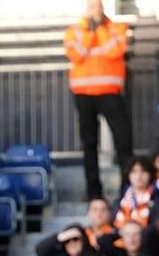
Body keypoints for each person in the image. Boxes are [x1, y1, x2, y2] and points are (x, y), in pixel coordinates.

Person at [64, 0, 132, 200]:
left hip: (110, 92)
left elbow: (114, 51)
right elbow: (76, 55)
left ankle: (127, 188)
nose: (96, 11)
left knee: (123, 142)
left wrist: (100, 29)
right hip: (84, 93)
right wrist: (90, 32)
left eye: (99, 6)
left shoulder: (117, 28)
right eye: (92, 7)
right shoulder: (74, 31)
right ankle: (93, 192)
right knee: (89, 144)